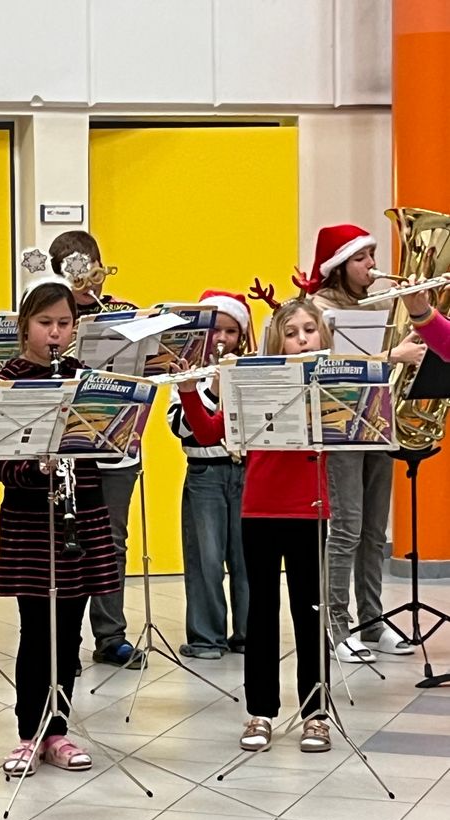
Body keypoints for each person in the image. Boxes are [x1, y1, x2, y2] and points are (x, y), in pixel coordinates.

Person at [175, 298, 334, 752]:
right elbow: (210, 434)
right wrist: (189, 389)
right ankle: (259, 712)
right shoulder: (252, 379)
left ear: (322, 335)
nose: (302, 339)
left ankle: (316, 713)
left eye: (309, 330)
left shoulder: (329, 381)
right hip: (260, 506)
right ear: (275, 339)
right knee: (259, 612)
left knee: (310, 611)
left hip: (310, 506)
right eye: (291, 332)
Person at [0, 279, 120, 776]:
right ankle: (27, 733)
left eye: (64, 324)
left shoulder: (85, 379)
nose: (55, 333)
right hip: (30, 522)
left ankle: (57, 730)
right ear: (25, 328)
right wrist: (33, 468)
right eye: (45, 324)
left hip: (80, 517)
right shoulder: (9, 383)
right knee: (37, 632)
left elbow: (107, 449)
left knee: (69, 632)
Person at [309, 224, 423, 663]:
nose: (373, 265)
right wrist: (392, 356)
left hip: (378, 422)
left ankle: (372, 622)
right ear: (340, 266)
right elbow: (331, 367)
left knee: (376, 532)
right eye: (362, 258)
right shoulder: (318, 308)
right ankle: (337, 626)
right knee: (347, 530)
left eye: (372, 256)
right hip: (341, 428)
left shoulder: (376, 305)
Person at [48, 231, 142, 670]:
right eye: (74, 270)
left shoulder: (124, 313)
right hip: (68, 447)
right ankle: (60, 636)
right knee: (67, 540)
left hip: (117, 441)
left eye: (92, 267)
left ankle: (111, 635)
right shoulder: (53, 320)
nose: (88, 280)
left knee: (113, 541)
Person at [167, 290, 250, 659]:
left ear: (242, 337)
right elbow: (182, 427)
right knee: (206, 559)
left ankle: (248, 633)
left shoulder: (251, 370)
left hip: (246, 472)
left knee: (247, 559)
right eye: (215, 330)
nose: (222, 339)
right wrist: (212, 391)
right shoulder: (186, 375)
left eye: (231, 331)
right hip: (205, 472)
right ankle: (206, 637)